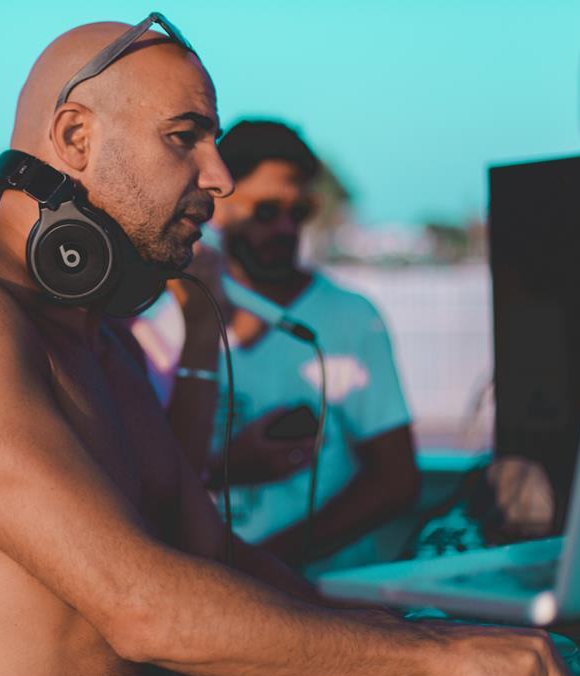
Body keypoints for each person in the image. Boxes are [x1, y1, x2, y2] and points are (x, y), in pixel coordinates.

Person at [0, 17, 567, 676]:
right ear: (76, 137)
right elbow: (141, 605)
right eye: (184, 137)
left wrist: (430, 632)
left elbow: (210, 557)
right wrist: (433, 659)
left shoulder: (101, 339)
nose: (219, 179)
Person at [138, 119, 421, 565]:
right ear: (217, 206)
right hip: (213, 584)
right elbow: (148, 485)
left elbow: (396, 478)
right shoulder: (162, 325)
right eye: (267, 211)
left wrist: (270, 562)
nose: (286, 229)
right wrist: (232, 466)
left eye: (299, 212)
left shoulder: (350, 317)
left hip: (327, 585)